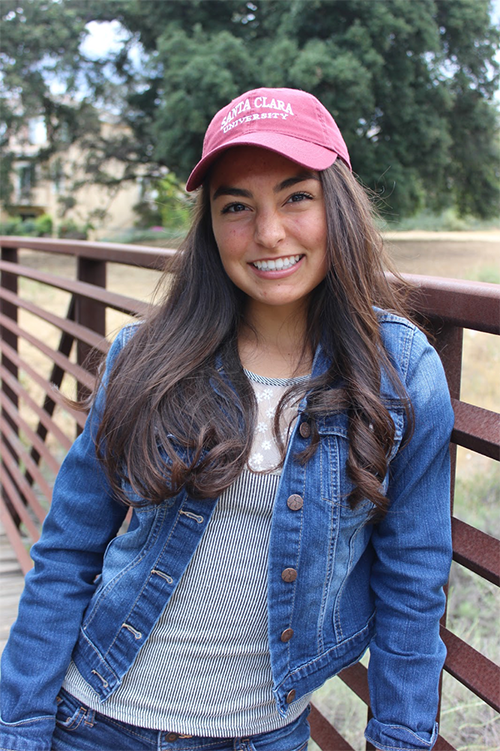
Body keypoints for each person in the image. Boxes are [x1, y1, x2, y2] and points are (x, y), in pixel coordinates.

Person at [0, 87, 454, 751]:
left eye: (296, 196)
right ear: (210, 226)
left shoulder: (401, 371)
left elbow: (413, 585)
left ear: (340, 204)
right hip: (97, 721)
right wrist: (18, 726)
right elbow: (67, 553)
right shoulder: (147, 353)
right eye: (236, 206)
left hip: (263, 736)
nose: (268, 233)